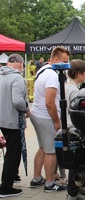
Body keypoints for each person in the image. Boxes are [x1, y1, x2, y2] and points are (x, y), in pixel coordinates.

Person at [30, 47, 70, 192]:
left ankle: (37, 178)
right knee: (51, 151)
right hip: (46, 116)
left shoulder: (43, 70)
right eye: (64, 61)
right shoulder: (52, 75)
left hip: (37, 114)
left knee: (42, 147)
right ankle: (49, 183)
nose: (66, 64)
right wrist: (56, 121)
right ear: (55, 59)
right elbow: (49, 102)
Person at [0, 54, 30, 197]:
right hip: (12, 120)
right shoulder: (17, 78)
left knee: (9, 152)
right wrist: (26, 108)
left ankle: (10, 177)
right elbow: (17, 101)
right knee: (13, 153)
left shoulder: (1, 75)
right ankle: (6, 186)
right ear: (19, 64)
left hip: (2, 118)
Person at [64, 59, 85, 200]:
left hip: (68, 127)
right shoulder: (74, 91)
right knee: (76, 162)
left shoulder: (67, 87)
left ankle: (74, 189)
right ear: (79, 73)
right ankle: (73, 192)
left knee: (75, 161)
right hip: (73, 128)